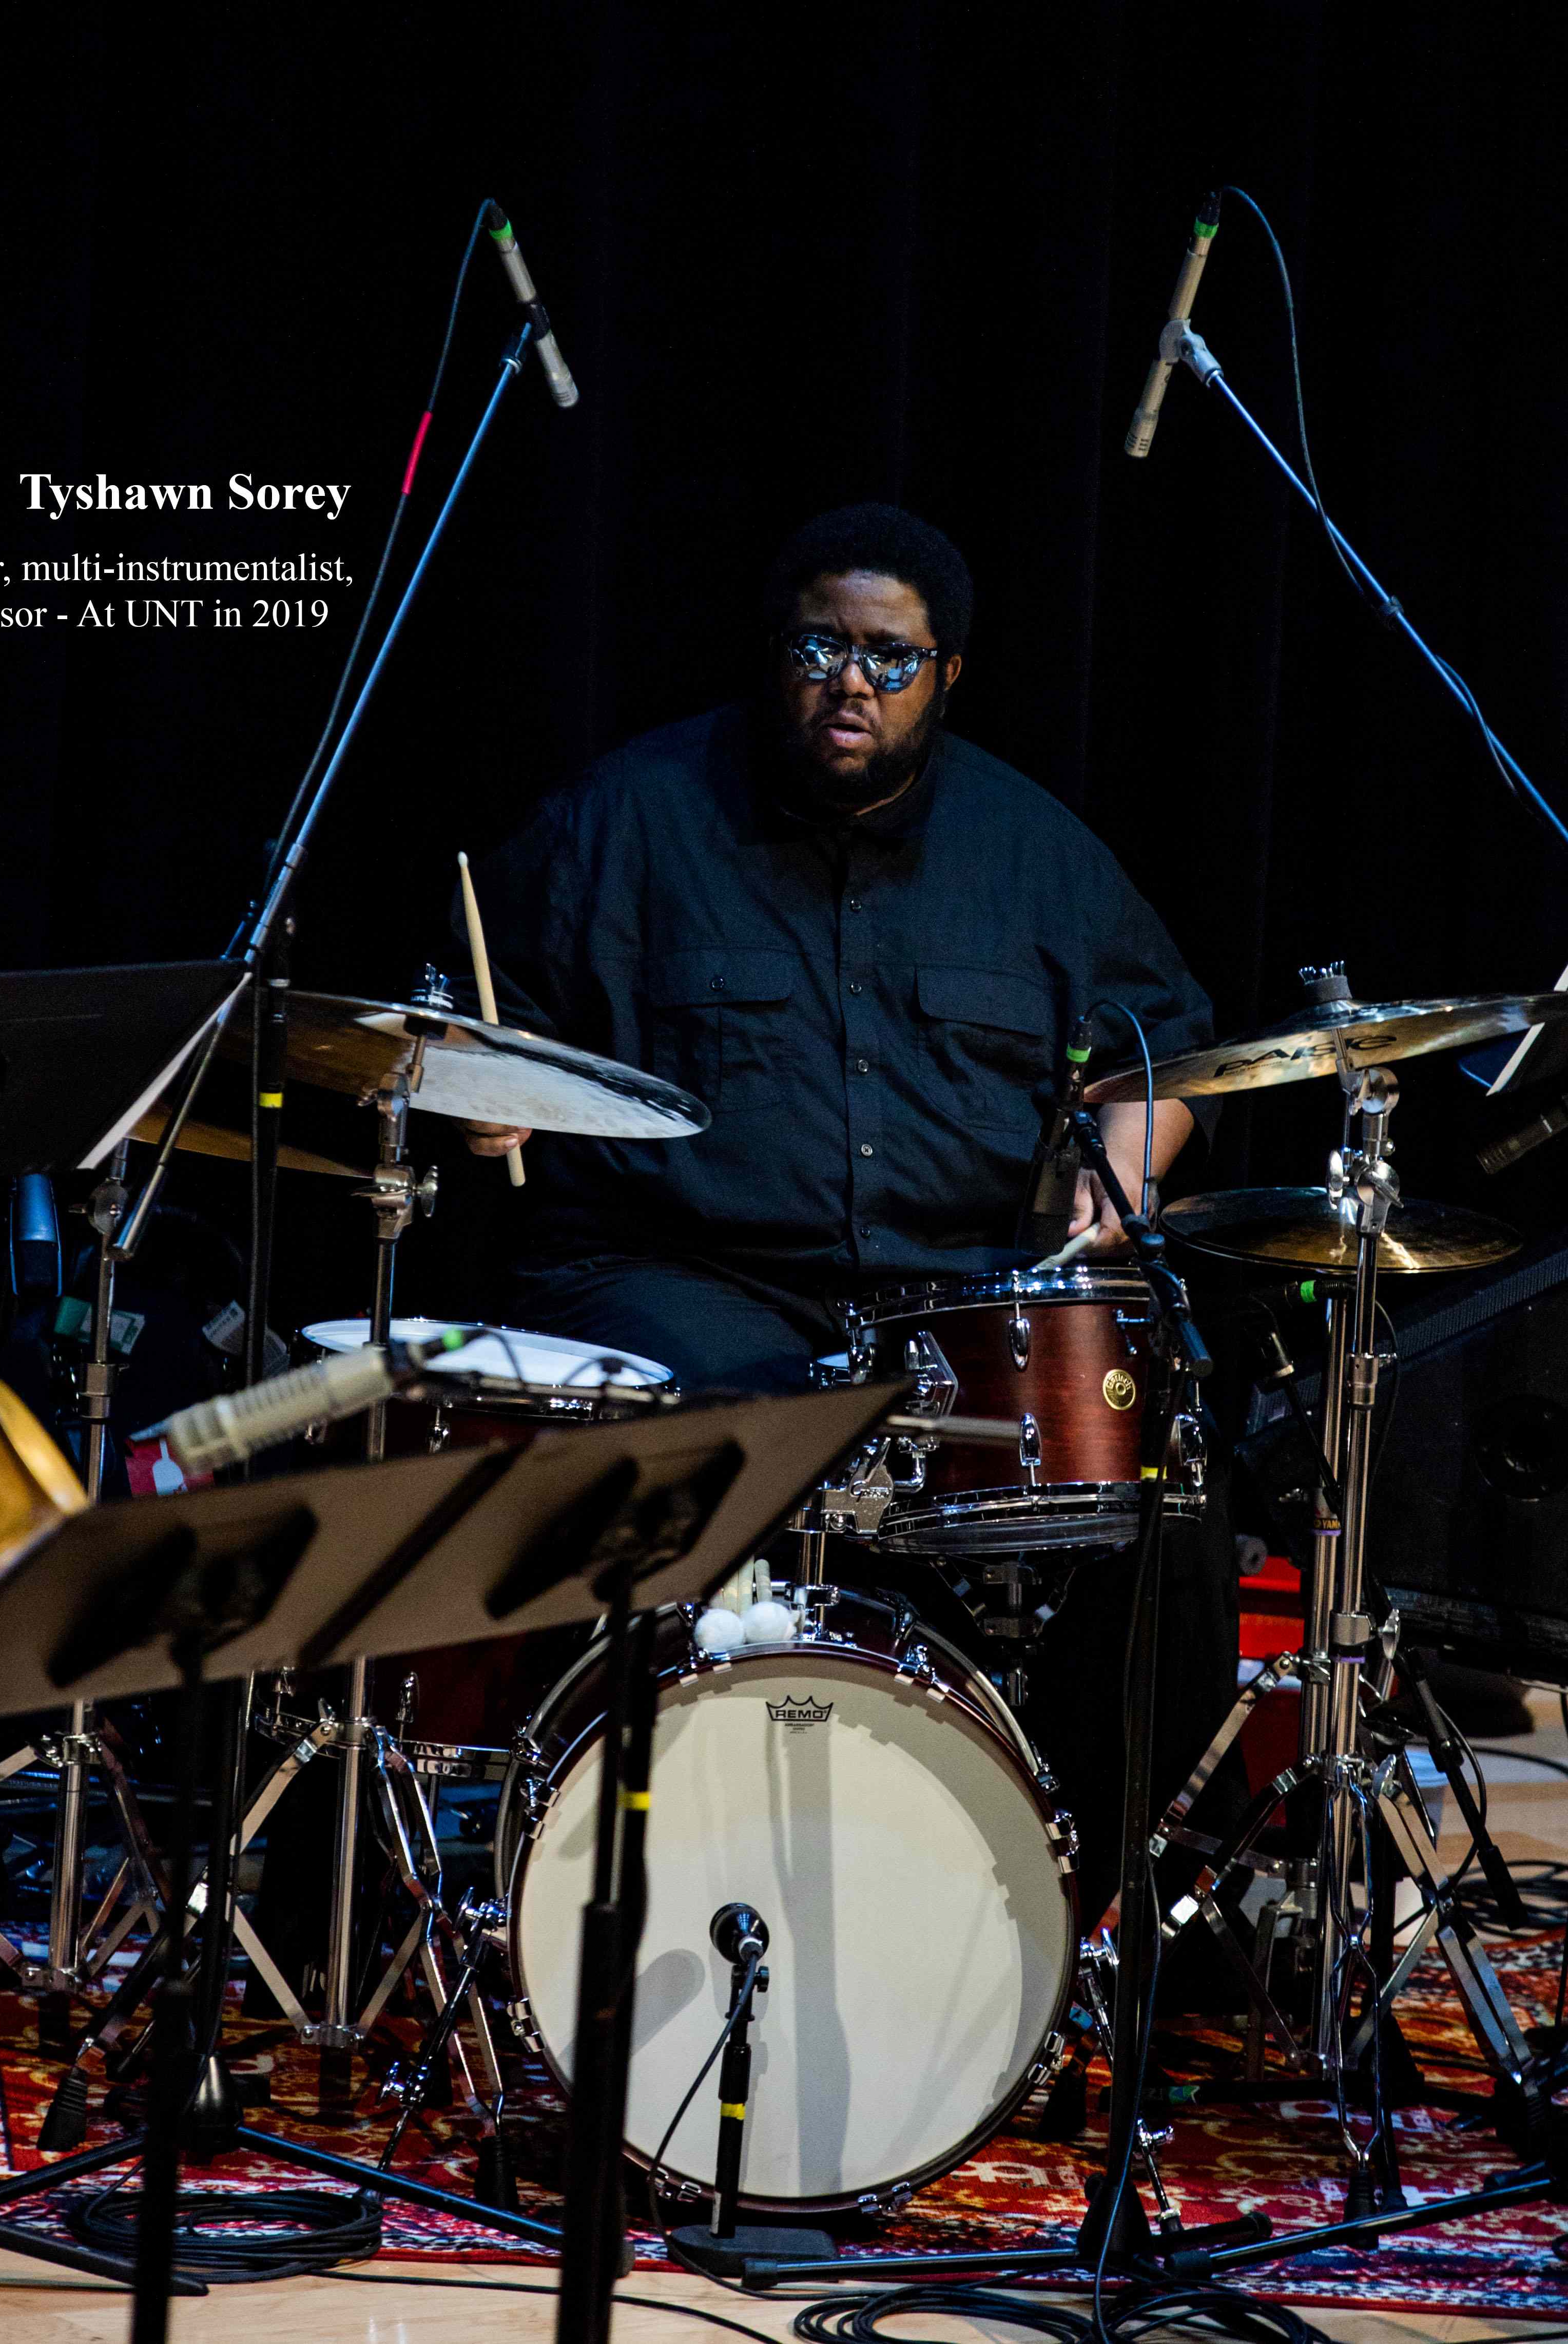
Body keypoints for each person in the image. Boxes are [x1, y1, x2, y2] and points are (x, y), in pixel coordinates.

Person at [455, 503, 1241, 1920]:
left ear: (948, 675)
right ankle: (664, 1866)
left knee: (1159, 1496)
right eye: (820, 646)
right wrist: (479, 1090)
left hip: (950, 1294)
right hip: (677, 1271)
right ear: (777, 657)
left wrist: (1123, 1169)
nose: (849, 683)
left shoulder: (1039, 854)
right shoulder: (623, 821)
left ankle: (1078, 1901)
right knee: (765, 1416)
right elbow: (458, 1026)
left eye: (890, 657)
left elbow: (1166, 1051)